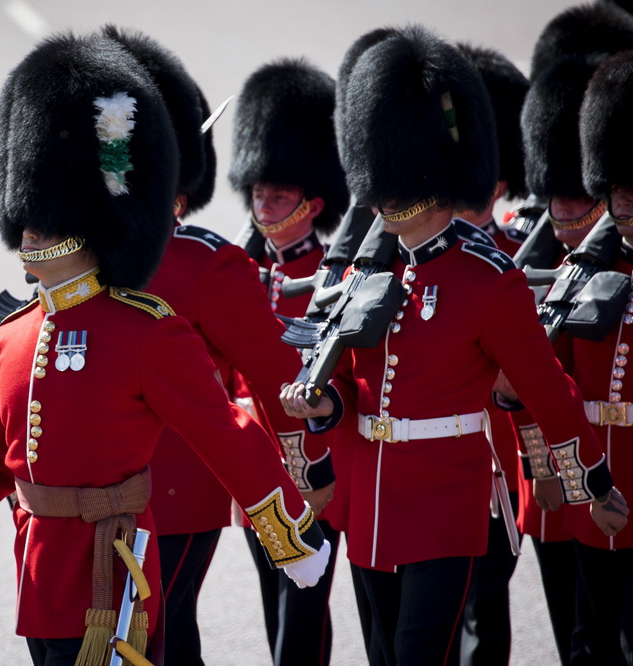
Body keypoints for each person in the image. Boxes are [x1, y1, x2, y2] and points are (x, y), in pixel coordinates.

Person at [0, 33, 330, 666]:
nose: (27, 228)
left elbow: (228, 433)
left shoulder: (145, 329)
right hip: (39, 581)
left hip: (115, 578)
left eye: (43, 213)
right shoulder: (9, 336)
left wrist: (290, 537)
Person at [280, 25, 628, 665]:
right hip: (374, 508)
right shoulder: (368, 273)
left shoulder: (487, 280)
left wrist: (594, 481)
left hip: (445, 505)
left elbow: (545, 388)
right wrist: (322, 407)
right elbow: (355, 388)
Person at [100, 26, 335, 666]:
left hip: (178, 489)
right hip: (90, 487)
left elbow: (273, 376)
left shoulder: (206, 265)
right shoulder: (83, 259)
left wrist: (306, 468)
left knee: (152, 639)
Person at [226, 57, 349, 666]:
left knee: (302, 612)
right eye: (259, 193)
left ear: (312, 201)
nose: (267, 204)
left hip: (312, 464)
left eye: (281, 194)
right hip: (254, 458)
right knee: (273, 597)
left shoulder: (332, 274)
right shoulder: (242, 273)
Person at [564, 47, 633, 665]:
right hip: (592, 488)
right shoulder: (587, 272)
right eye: (615, 184)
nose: (622, 198)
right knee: (589, 647)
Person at [450, 42, 530, 666]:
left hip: (498, 465)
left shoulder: (513, 261)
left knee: (485, 614)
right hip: (429, 468)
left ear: (497, 186)